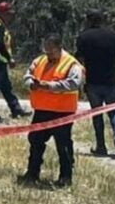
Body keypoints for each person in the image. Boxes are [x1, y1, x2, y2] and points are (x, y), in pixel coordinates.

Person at [18, 34, 85, 188]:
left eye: (51, 52)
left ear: (59, 48)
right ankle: (32, 173)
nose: (48, 55)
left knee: (63, 144)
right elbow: (27, 75)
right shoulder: (39, 60)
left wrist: (49, 86)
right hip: (41, 110)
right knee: (35, 141)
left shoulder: (71, 64)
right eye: (46, 51)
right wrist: (31, 84)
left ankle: (65, 177)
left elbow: (74, 83)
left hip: (62, 112)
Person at [76, 9, 115, 159]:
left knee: (96, 113)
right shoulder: (114, 36)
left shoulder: (83, 37)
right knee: (114, 110)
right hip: (112, 81)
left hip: (93, 82)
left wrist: (79, 83)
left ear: (88, 20)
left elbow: (79, 62)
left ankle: (101, 146)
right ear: (102, 19)